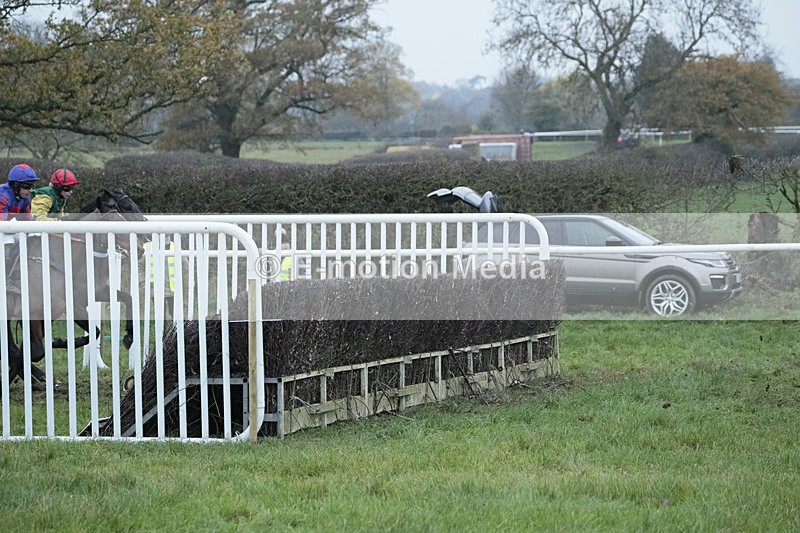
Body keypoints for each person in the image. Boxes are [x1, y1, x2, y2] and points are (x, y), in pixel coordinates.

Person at [1, 163, 38, 273]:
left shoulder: (24, 198)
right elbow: (2, 223)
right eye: (27, 187)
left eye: (32, 186)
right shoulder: (3, 195)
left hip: (5, 226)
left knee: (33, 234)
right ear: (16, 185)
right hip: (2, 227)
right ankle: (5, 273)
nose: (30, 190)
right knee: (8, 239)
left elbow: (26, 219)